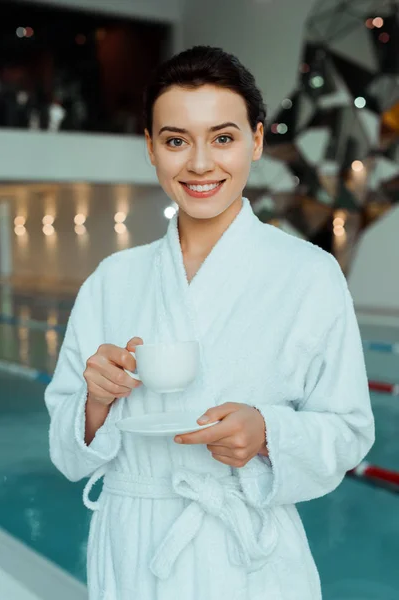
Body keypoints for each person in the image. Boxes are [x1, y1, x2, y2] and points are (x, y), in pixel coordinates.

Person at [44, 46, 375, 600]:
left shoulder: (309, 274)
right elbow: (65, 453)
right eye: (176, 140)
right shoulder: (113, 279)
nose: (200, 163)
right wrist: (95, 402)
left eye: (223, 138)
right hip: (133, 546)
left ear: (258, 141)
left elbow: (348, 430)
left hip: (249, 557)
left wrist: (268, 433)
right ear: (151, 148)